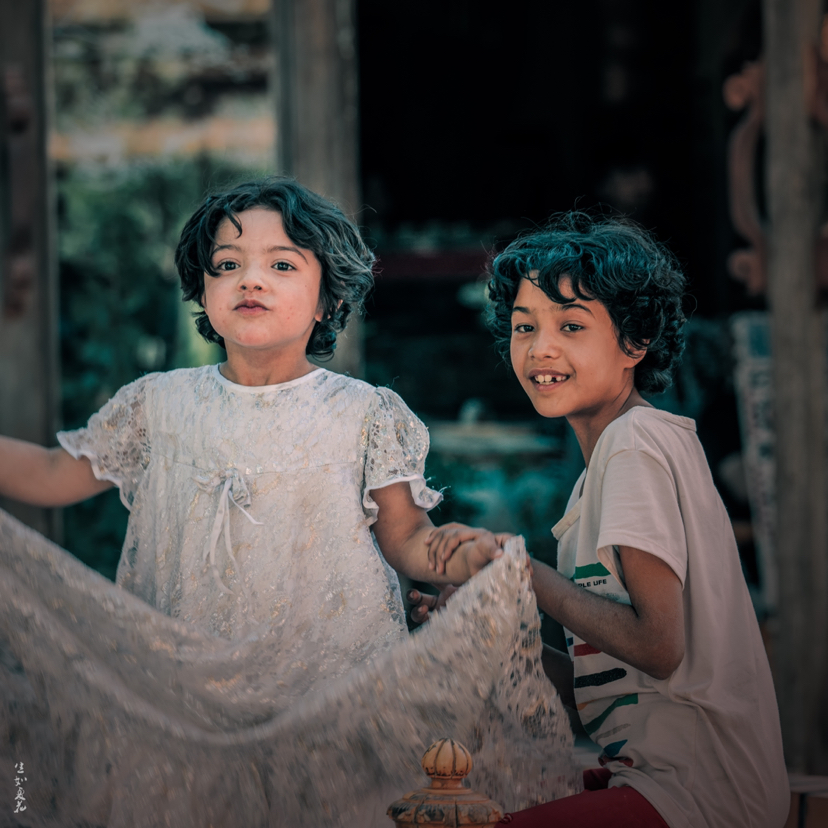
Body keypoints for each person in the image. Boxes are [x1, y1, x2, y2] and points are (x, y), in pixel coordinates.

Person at [0, 179, 579, 826]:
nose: (251, 279)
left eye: (281, 265)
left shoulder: (364, 413)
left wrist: (460, 557)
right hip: (177, 698)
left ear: (329, 298)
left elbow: (407, 538)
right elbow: (51, 475)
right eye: (227, 265)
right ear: (202, 290)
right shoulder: (156, 404)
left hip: (331, 698)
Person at [424, 213, 790, 828]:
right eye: (524, 327)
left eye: (571, 326)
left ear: (634, 342)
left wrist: (522, 571)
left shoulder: (634, 444)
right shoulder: (606, 467)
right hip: (661, 781)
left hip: (697, 795)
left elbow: (658, 647)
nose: (541, 348)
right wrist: (492, 640)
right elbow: (603, 688)